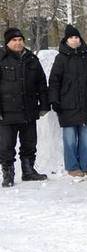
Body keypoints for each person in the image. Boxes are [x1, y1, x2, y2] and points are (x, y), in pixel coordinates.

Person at [48, 24, 87, 176]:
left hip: (86, 105)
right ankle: (72, 167)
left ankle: (86, 166)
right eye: (71, 37)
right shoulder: (61, 58)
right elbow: (54, 81)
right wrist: (54, 100)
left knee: (86, 139)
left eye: (77, 37)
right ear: (66, 40)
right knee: (70, 139)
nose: (74, 40)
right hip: (67, 105)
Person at [0, 28, 50, 187]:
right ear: (7, 42)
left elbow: (42, 84)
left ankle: (28, 171)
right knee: (6, 146)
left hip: (28, 110)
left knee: (29, 143)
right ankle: (8, 174)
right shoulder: (1, 59)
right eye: (14, 40)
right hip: (6, 112)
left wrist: (43, 105)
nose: (18, 43)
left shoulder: (31, 59)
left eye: (20, 39)